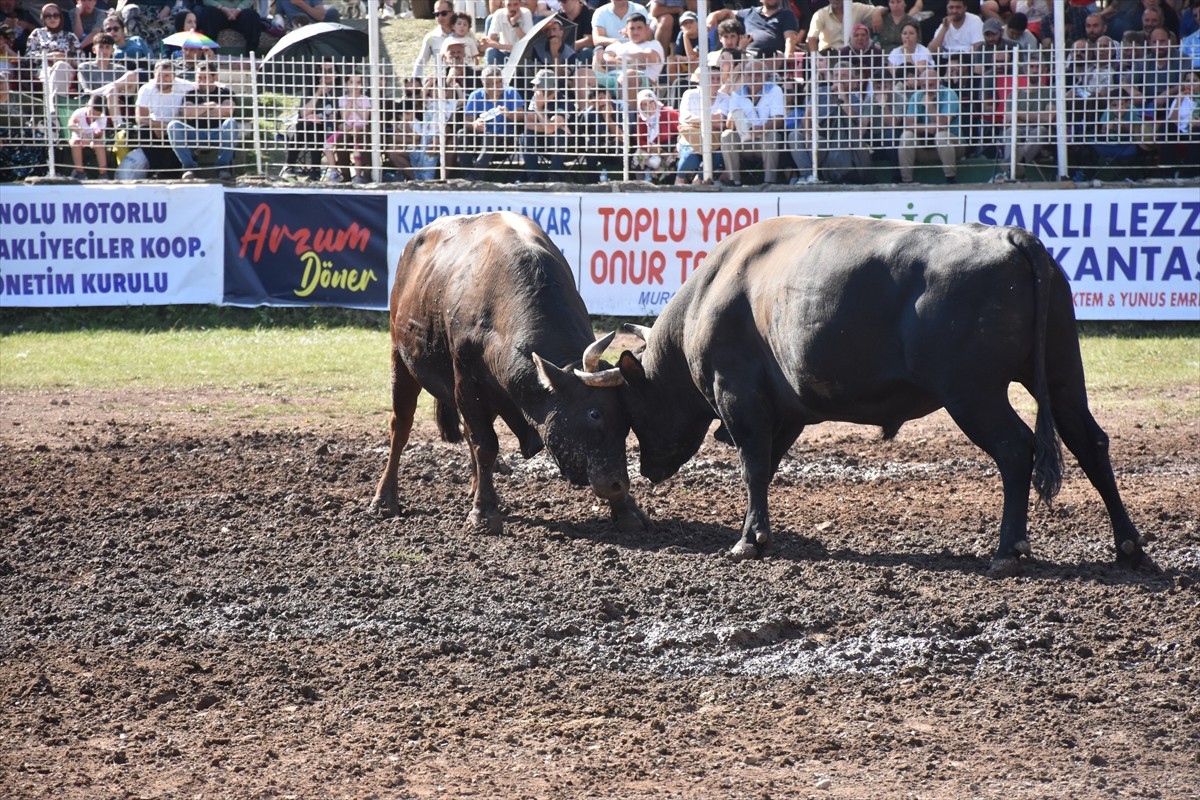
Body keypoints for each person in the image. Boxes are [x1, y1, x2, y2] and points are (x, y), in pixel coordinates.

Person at [674, 47, 747, 184]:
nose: (714, 82)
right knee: (691, 156)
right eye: (711, 78)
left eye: (717, 79)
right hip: (691, 139)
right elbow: (685, 120)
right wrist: (712, 118)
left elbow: (723, 123)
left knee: (718, 155)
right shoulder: (690, 94)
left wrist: (698, 121)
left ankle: (699, 182)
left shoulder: (725, 98)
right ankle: (679, 182)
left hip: (714, 142)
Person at [167, 58, 239, 179]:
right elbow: (187, 113)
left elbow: (227, 111)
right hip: (195, 133)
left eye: (205, 78)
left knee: (231, 123)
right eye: (199, 77)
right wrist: (210, 106)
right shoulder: (191, 94)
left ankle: (223, 168)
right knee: (173, 126)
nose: (201, 81)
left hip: (219, 132)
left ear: (214, 77)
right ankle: (189, 168)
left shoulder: (225, 92)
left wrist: (198, 111)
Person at [118, 58, 189, 179]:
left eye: (167, 76)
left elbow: (208, 86)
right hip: (155, 127)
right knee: (142, 131)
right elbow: (140, 119)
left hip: (177, 127)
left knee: (178, 134)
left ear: (174, 76)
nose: (162, 79)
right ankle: (160, 170)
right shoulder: (146, 89)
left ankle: (170, 173)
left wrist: (169, 127)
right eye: (159, 75)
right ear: (154, 75)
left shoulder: (185, 86)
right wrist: (162, 126)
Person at [898, 65, 963, 182]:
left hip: (953, 146)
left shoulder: (949, 94)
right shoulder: (916, 96)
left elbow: (943, 124)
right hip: (925, 146)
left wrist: (929, 106)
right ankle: (906, 181)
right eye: (924, 86)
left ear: (939, 83)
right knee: (906, 136)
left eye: (931, 85)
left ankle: (950, 179)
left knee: (941, 136)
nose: (927, 89)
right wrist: (927, 128)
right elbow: (908, 124)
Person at [462, 63, 524, 179]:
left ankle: (477, 175)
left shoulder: (510, 92)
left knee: (490, 137)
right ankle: (466, 172)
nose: (498, 86)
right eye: (493, 83)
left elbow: (520, 116)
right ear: (485, 84)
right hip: (480, 136)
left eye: (500, 81)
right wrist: (474, 124)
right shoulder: (476, 95)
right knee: (462, 133)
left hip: (504, 138)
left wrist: (509, 114)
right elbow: (467, 120)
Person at [731, 57, 785, 184]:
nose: (754, 78)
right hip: (744, 140)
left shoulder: (774, 90)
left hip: (764, 137)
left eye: (758, 75)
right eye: (750, 74)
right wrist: (736, 121)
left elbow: (778, 120)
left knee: (772, 136)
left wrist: (762, 129)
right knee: (727, 135)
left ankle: (769, 182)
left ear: (766, 76)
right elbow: (730, 124)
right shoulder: (736, 95)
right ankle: (734, 181)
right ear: (744, 76)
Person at [282, 60, 338, 179]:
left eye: (330, 71)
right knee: (309, 125)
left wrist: (324, 118)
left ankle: (296, 166)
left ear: (336, 74)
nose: (326, 74)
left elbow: (339, 115)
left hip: (329, 128)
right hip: (305, 126)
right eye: (323, 71)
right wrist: (318, 92)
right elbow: (303, 113)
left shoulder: (339, 92)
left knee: (314, 126)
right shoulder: (310, 89)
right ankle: (307, 169)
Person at [592, 11, 662, 103]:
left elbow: (647, 58)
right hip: (612, 78)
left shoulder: (654, 44)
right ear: (626, 30)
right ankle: (585, 116)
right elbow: (605, 61)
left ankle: (629, 115)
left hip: (642, 80)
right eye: (632, 28)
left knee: (629, 75)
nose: (635, 31)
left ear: (646, 29)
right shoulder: (617, 45)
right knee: (583, 74)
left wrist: (620, 59)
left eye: (639, 28)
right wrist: (631, 64)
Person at [520, 67, 570, 181]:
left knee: (558, 133)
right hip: (544, 142)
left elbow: (551, 130)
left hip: (567, 146)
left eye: (538, 86)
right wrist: (549, 126)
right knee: (526, 135)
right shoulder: (536, 99)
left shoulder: (563, 102)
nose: (534, 89)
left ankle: (555, 177)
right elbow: (528, 124)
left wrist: (538, 109)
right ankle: (533, 177)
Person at [25, 3, 80, 100]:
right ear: (43, 18)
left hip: (66, 70)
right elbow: (28, 56)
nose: (52, 18)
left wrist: (66, 59)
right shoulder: (37, 34)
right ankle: (55, 106)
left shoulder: (70, 37)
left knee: (60, 66)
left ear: (61, 17)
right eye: (48, 16)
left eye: (56, 15)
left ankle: (51, 106)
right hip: (44, 70)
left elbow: (81, 60)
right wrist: (49, 56)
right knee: (51, 72)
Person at [322, 71, 369, 182]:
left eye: (358, 82)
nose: (355, 86)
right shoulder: (342, 99)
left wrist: (356, 105)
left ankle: (357, 176)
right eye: (351, 82)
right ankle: (334, 171)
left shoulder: (365, 99)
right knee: (327, 145)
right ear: (347, 84)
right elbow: (344, 116)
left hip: (359, 128)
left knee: (357, 150)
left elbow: (365, 119)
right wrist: (350, 101)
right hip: (346, 128)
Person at [632, 87, 677, 181]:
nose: (649, 106)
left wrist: (668, 148)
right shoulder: (641, 118)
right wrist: (650, 147)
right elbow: (640, 139)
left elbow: (681, 130)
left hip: (668, 147)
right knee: (638, 158)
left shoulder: (668, 113)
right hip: (650, 148)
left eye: (651, 102)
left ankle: (661, 179)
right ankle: (641, 181)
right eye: (644, 104)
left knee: (667, 160)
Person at [805, 0, 876, 54]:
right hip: (829, 56)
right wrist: (817, 58)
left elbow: (881, 9)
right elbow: (811, 38)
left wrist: (878, 14)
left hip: (854, 55)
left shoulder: (858, 8)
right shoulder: (820, 14)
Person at [195, 0, 261, 55]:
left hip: (240, 11)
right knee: (208, 13)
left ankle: (251, 53)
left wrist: (238, 9)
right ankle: (210, 53)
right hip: (218, 10)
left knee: (253, 16)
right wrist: (223, 8)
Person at [68, 91, 108, 178]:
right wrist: (82, 134)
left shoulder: (102, 118)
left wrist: (97, 134)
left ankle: (103, 173)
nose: (93, 117)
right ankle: (80, 172)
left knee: (99, 144)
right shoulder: (79, 112)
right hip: (78, 138)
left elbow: (98, 136)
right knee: (75, 143)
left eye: (97, 115)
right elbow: (70, 124)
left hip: (92, 140)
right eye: (92, 113)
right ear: (87, 106)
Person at [481, 0, 532, 64]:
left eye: (515, 4)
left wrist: (514, 23)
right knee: (490, 51)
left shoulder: (526, 13)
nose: (512, 8)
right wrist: (507, 47)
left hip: (521, 54)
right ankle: (492, 73)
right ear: (503, 5)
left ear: (520, 4)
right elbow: (490, 40)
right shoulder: (499, 14)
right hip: (503, 52)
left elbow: (527, 41)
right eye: (509, 5)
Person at [413, 0, 455, 78]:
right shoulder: (431, 37)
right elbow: (421, 62)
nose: (440, 17)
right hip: (442, 83)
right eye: (437, 14)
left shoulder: (464, 32)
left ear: (452, 13)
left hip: (465, 81)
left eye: (444, 13)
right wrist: (416, 82)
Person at [275, 0, 341, 27]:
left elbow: (320, 16)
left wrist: (300, 3)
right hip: (295, 29)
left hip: (313, 27)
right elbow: (278, 16)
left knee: (332, 12)